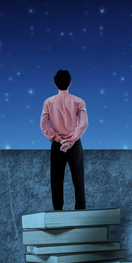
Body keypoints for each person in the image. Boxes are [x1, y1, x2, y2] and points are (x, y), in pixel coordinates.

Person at [41, 69, 88, 211]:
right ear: (70, 83)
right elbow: (84, 123)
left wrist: (59, 140)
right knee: (78, 180)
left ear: (55, 84)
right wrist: (71, 141)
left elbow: (43, 125)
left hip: (57, 146)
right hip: (75, 145)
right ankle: (80, 213)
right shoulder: (79, 101)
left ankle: (57, 213)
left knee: (56, 181)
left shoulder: (48, 102)